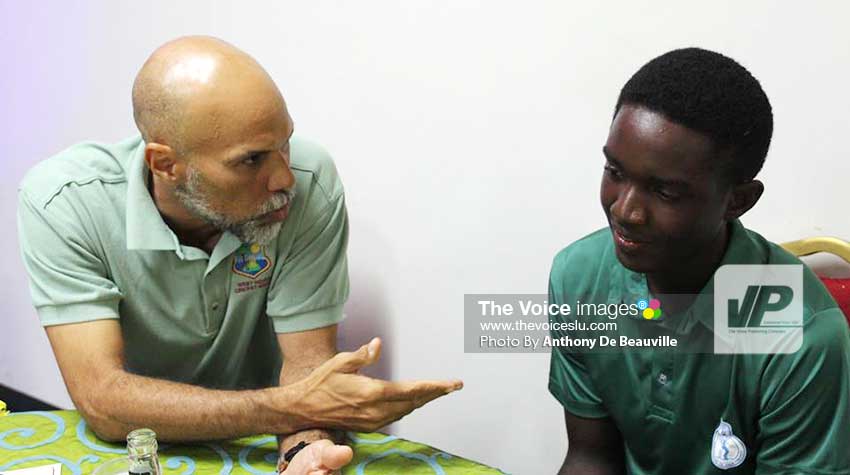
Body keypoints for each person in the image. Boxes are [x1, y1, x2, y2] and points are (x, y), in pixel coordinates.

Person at [17, 36, 462, 475]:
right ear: (165, 165)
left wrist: (302, 449)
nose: (284, 178)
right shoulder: (64, 203)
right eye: (251, 161)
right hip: (139, 443)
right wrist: (291, 405)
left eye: (284, 143)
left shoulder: (310, 182)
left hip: (266, 437)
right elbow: (103, 399)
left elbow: (305, 365)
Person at [547, 48, 850, 474]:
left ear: (738, 201)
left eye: (666, 192)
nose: (625, 211)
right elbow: (590, 457)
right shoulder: (579, 276)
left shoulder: (802, 335)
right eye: (615, 171)